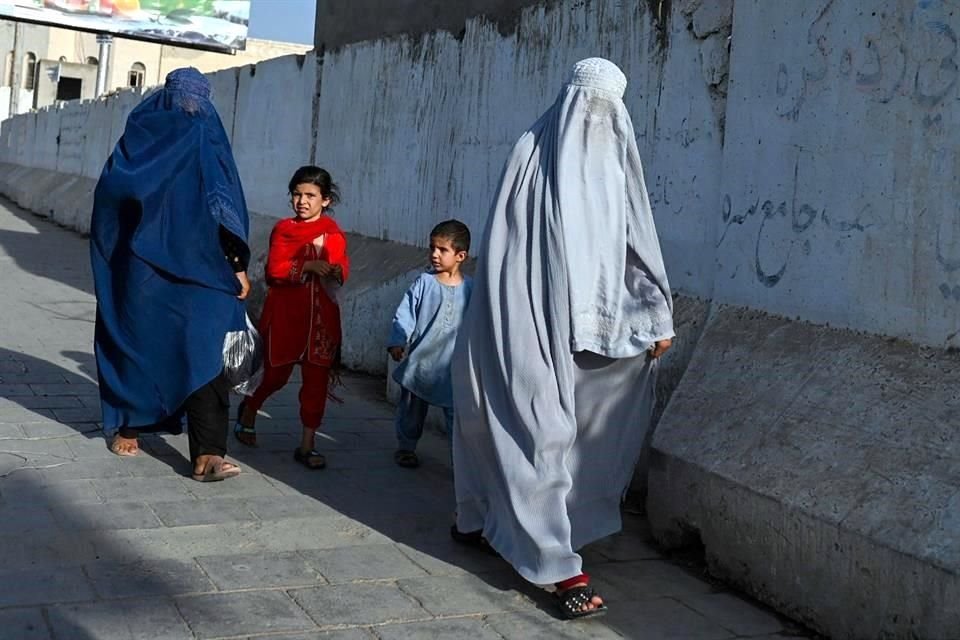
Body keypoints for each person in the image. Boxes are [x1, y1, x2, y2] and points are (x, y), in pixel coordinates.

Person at [450, 58, 675, 620]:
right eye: (588, 104)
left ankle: (485, 519)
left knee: (580, 430)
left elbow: (637, 239)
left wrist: (656, 316)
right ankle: (558, 567)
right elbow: (508, 248)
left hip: (590, 324)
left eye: (607, 110)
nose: (594, 119)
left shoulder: (616, 163)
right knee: (534, 426)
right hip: (522, 316)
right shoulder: (530, 156)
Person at [91, 67, 251, 482]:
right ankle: (130, 422)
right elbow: (112, 193)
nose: (190, 108)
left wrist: (236, 265)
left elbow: (222, 201)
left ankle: (208, 453)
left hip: (205, 269)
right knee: (142, 342)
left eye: (197, 99)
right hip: (145, 266)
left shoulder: (205, 134)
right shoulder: (143, 134)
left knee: (206, 353)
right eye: (184, 97)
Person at [233, 166, 349, 470]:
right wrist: (307, 267)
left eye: (310, 195)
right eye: (297, 194)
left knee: (316, 381)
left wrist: (336, 271)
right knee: (275, 376)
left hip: (322, 321)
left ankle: (308, 444)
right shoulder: (284, 229)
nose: (302, 201)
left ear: (325, 200)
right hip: (286, 315)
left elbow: (341, 268)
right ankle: (250, 407)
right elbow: (275, 271)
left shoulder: (334, 233)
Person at [387, 220, 473, 469]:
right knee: (412, 412)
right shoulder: (424, 283)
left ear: (460, 255)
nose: (434, 254)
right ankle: (406, 447)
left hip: (453, 369)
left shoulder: (472, 289)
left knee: (457, 418)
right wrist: (398, 340)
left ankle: (460, 460)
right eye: (432, 248)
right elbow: (405, 314)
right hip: (420, 364)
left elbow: (478, 325)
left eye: (442, 250)